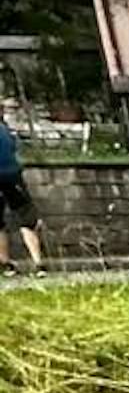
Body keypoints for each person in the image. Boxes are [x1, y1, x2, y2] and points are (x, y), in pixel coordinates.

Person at [0, 103, 46, 274]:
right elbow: (14, 150)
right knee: (27, 219)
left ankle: (6, 265)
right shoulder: (5, 131)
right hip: (13, 176)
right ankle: (38, 263)